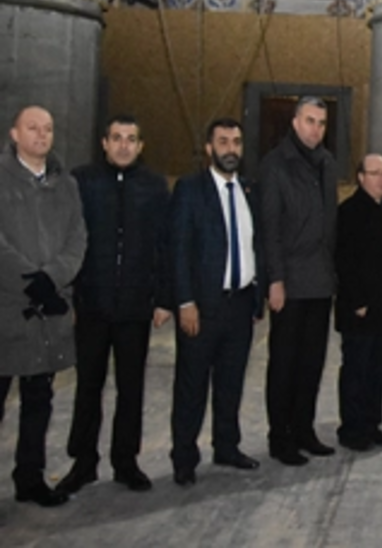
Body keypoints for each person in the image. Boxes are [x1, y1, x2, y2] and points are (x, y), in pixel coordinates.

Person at [58, 116, 170, 496]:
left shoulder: (154, 188)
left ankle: (126, 461)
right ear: (104, 143)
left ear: (141, 146)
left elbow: (163, 247)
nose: (124, 145)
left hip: (135, 309)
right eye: (117, 138)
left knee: (131, 387)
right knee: (88, 387)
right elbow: (69, 241)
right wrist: (71, 296)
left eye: (132, 139)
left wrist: (162, 298)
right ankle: (83, 462)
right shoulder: (82, 182)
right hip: (92, 305)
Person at [168, 118, 263, 487]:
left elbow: (256, 245)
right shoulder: (190, 189)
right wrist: (185, 301)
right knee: (191, 386)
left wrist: (256, 297)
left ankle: (227, 446)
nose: (231, 149)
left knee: (231, 383)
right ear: (209, 148)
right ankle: (184, 459)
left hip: (239, 305)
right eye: (223, 142)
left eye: (236, 142)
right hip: (202, 306)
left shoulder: (249, 189)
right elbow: (178, 249)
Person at [0, 106, 87, 506]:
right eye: (32, 128)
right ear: (15, 134)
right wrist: (29, 282)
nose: (41, 135)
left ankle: (30, 479)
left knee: (39, 400)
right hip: (8, 309)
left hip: (48, 313)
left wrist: (52, 279)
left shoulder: (65, 184)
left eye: (48, 129)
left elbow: (77, 239)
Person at [261, 96, 339, 466]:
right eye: (309, 121)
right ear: (295, 123)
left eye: (321, 123)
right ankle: (281, 437)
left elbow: (331, 227)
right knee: (285, 364)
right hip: (290, 281)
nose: (315, 129)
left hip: (321, 281)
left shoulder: (327, 164)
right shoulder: (275, 166)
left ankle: (304, 429)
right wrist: (275, 279)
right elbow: (270, 229)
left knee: (312, 362)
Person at [334, 154, 382, 451]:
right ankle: (352, 428)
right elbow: (344, 261)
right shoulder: (349, 212)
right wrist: (358, 301)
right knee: (356, 369)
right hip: (361, 309)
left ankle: (371, 423)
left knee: (378, 369)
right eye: (375, 173)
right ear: (360, 177)